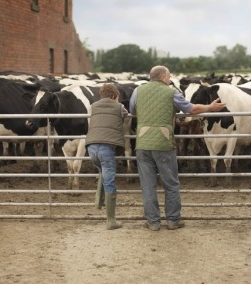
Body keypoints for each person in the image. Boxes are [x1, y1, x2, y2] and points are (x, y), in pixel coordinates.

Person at [129, 65, 226, 231]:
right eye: (169, 76)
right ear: (163, 77)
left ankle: (153, 222)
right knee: (171, 184)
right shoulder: (172, 92)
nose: (170, 79)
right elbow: (191, 109)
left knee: (148, 185)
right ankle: (173, 220)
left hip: (143, 143)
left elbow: (133, 111)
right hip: (163, 142)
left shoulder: (138, 91)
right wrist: (210, 107)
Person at [86, 83, 128, 230]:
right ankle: (111, 220)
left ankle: (99, 201)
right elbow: (125, 115)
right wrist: (117, 104)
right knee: (109, 181)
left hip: (91, 147)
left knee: (103, 172)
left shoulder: (93, 106)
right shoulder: (119, 107)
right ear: (115, 97)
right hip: (106, 147)